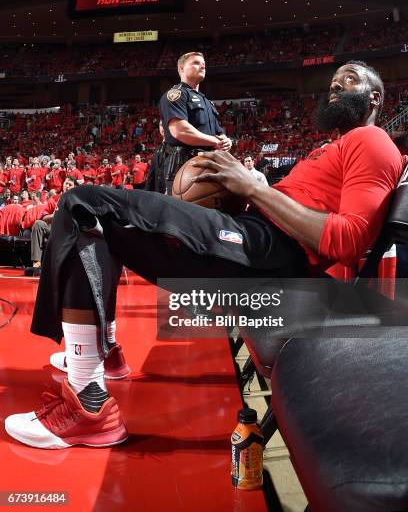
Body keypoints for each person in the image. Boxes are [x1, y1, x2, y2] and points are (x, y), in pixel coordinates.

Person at [5, 61, 404, 449]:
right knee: (96, 221)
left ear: (373, 98)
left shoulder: (373, 141)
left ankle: (89, 407)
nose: (335, 86)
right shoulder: (336, 147)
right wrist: (242, 193)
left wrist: (253, 188)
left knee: (83, 205)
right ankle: (103, 356)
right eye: (333, 80)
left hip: (266, 251)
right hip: (257, 239)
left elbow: (349, 239)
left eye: (348, 80)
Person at [159, 51, 232, 193]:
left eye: (203, 64)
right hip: (184, 165)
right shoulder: (176, 94)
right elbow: (180, 131)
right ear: (181, 69)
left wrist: (225, 140)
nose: (202, 66)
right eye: (196, 63)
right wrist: (214, 141)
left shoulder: (207, 101)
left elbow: (218, 133)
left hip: (209, 163)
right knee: (185, 212)